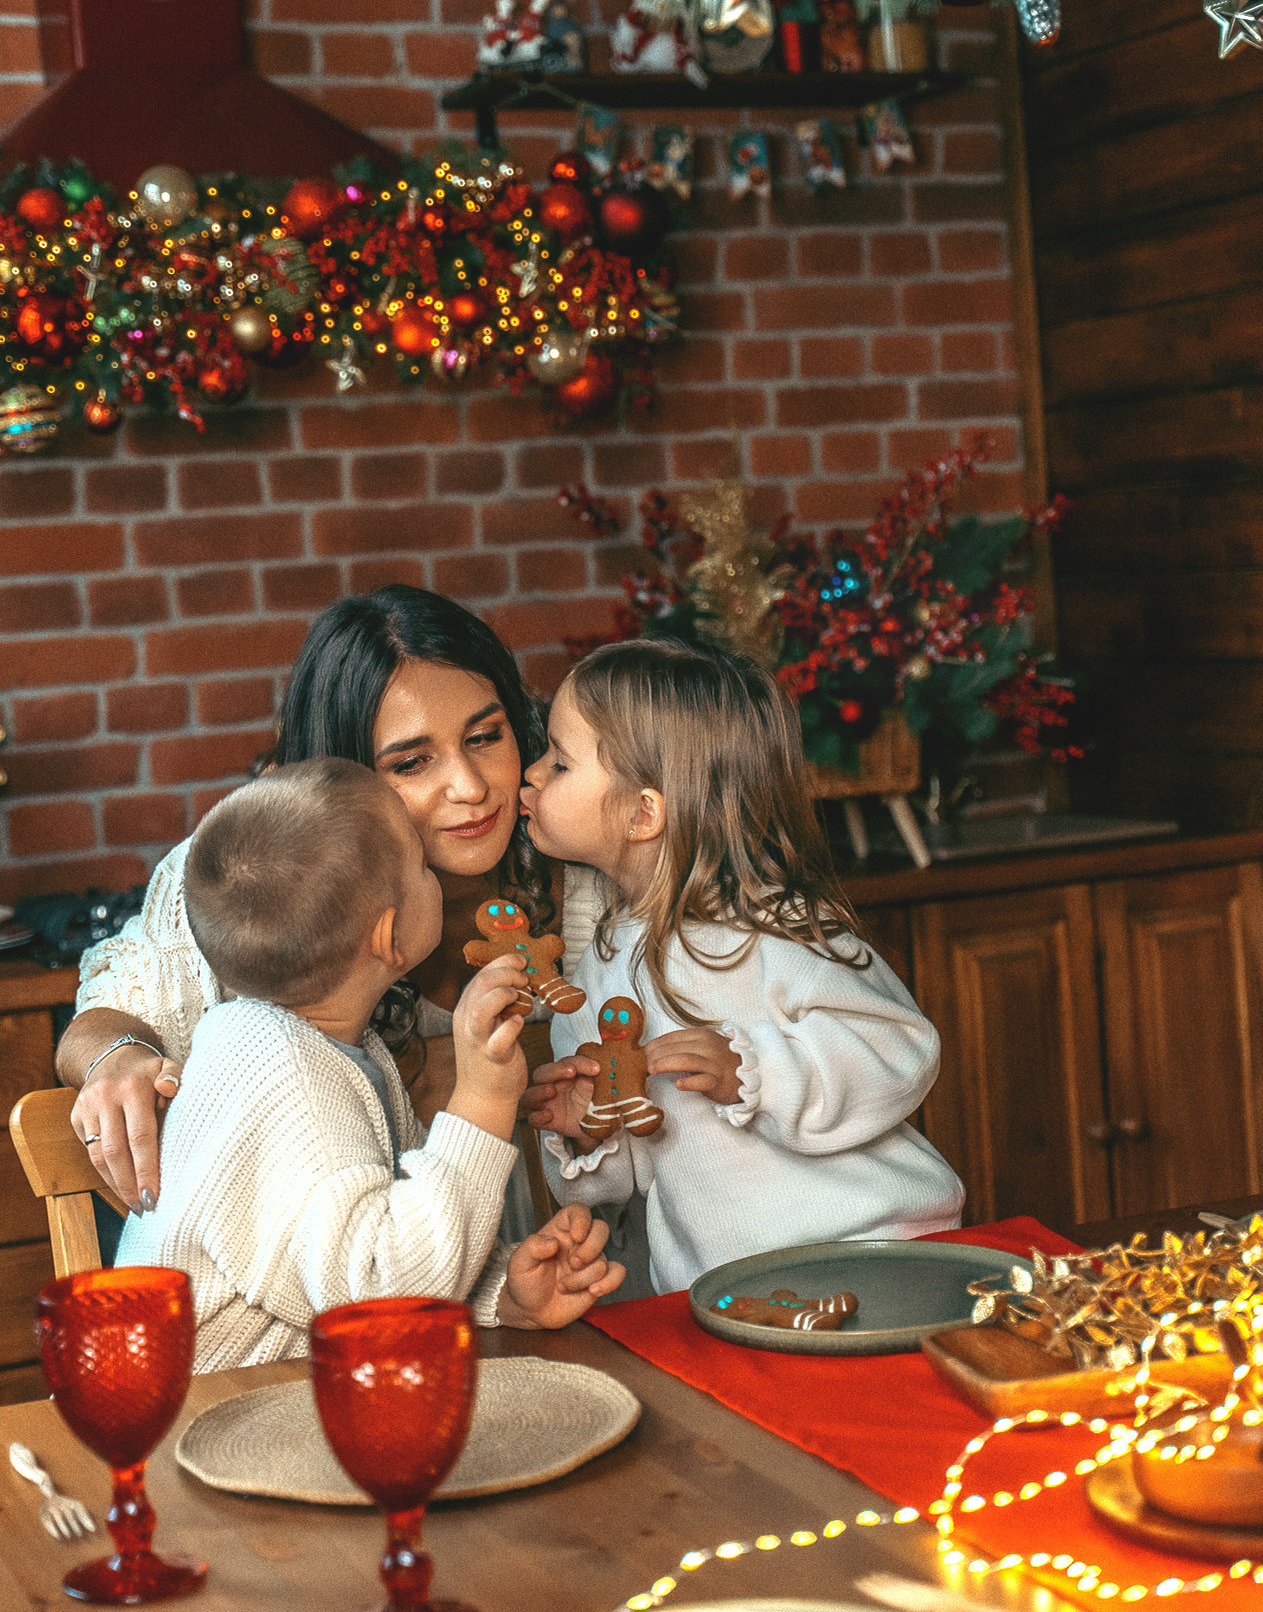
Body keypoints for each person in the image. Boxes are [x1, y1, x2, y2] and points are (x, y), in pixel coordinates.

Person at [57, 586, 600, 1220]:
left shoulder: (581, 854)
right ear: (346, 772)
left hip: (562, 1265)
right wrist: (117, 1058)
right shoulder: (267, 875)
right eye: (412, 762)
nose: (471, 787)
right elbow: (101, 1018)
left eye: (484, 737)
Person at [118, 760, 623, 1369]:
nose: (432, 871)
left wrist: (503, 1297)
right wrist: (483, 1100)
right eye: (418, 862)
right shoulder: (285, 1076)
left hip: (292, 1391)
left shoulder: (340, 1050)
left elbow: (378, 1245)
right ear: (387, 937)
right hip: (197, 1415)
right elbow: (386, 1289)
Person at [521, 640, 965, 1293]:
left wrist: (751, 1070)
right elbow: (629, 1174)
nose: (529, 774)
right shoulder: (596, 970)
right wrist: (586, 1131)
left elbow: (900, 1050)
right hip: (735, 1290)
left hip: (878, 1249)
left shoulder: (771, 926)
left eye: (559, 762)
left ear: (644, 812)